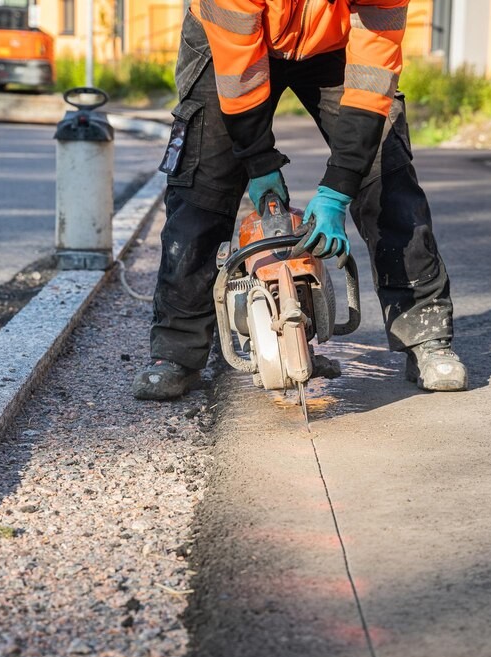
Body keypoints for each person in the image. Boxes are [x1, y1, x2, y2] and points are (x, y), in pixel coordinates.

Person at [132, 0, 468, 400]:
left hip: (335, 45)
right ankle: (176, 350)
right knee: (204, 185)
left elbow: (373, 73)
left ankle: (425, 334)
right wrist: (259, 163)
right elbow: (239, 72)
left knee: (387, 176)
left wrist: (338, 189)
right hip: (228, 39)